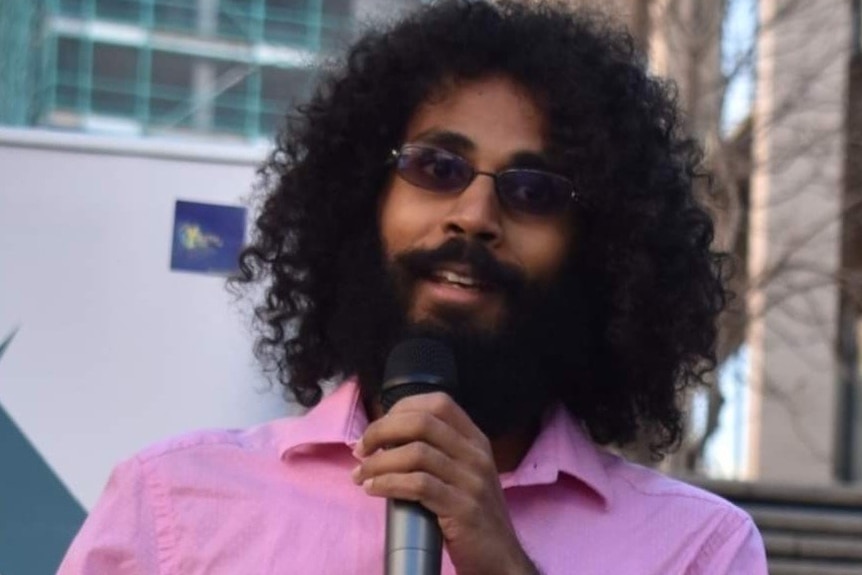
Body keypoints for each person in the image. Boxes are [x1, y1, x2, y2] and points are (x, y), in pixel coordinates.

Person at [58, 1, 768, 573]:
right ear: (363, 199)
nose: (476, 215)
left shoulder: (698, 549)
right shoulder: (172, 504)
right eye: (436, 168)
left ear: (602, 250)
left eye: (532, 189)